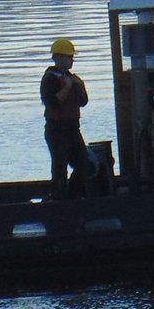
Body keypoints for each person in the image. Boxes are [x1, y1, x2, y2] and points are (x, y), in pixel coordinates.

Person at [40, 37, 95, 198]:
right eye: (69, 57)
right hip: (56, 129)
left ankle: (73, 196)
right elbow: (53, 102)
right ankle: (58, 200)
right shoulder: (50, 78)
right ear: (58, 57)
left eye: (72, 57)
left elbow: (83, 102)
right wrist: (68, 86)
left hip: (72, 128)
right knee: (60, 167)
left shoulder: (72, 78)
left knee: (84, 164)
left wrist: (79, 86)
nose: (71, 60)